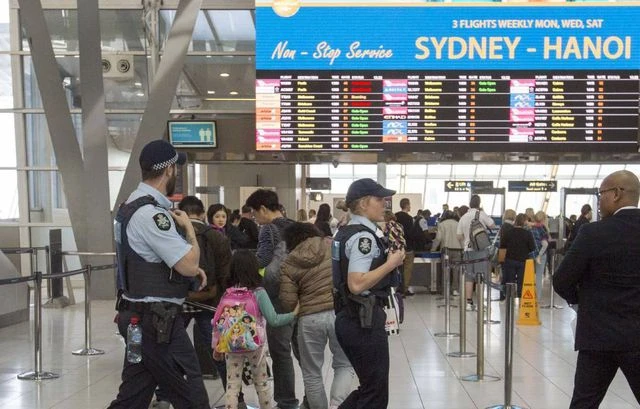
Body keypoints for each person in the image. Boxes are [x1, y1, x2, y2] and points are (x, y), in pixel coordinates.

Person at [109, 140, 209, 409]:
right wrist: (189, 229)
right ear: (169, 171)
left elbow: (145, 258)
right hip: (158, 324)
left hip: (136, 319)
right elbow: (188, 264)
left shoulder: (128, 206)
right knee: (191, 390)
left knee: (133, 394)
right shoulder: (151, 215)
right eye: (176, 168)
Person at [554, 170, 640, 409]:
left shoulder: (593, 233)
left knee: (585, 403)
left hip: (597, 336)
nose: (598, 201)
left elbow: (562, 280)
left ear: (616, 194)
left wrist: (583, 302)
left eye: (600, 194)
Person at [154, 196, 233, 409]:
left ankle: (164, 396)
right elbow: (226, 272)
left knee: (171, 347)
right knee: (218, 349)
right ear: (202, 212)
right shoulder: (217, 238)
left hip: (180, 300)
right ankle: (235, 398)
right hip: (210, 300)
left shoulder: (173, 234)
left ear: (181, 212)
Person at [332, 178, 405, 409]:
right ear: (363, 203)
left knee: (370, 387)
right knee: (375, 392)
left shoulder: (345, 231)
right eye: (379, 199)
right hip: (362, 319)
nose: (385, 203)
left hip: (351, 316)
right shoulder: (363, 237)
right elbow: (356, 283)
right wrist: (391, 263)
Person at [280, 222, 355, 409]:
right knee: (344, 364)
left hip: (309, 318)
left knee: (311, 372)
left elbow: (288, 301)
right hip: (339, 313)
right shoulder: (332, 245)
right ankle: (337, 405)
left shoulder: (289, 261)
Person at [214, 250, 299, 409]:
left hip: (232, 345)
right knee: (261, 383)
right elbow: (274, 319)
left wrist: (217, 346)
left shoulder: (227, 294)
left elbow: (218, 322)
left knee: (232, 385)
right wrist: (292, 315)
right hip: (255, 346)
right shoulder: (259, 293)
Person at [245, 189, 298, 409]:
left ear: (264, 209)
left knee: (280, 350)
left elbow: (263, 259)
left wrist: (245, 265)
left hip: (277, 295)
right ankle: (312, 398)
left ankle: (286, 401)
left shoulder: (269, 229)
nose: (255, 219)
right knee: (302, 350)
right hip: (301, 293)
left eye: (255, 213)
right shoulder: (296, 226)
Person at [456, 195, 495, 311]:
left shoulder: (464, 217)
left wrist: (465, 243)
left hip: (467, 250)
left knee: (469, 277)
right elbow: (492, 225)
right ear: (479, 203)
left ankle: (469, 303)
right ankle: (479, 303)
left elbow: (458, 235)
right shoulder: (481, 214)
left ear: (469, 204)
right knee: (480, 277)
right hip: (481, 251)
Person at [499, 213, 536, 298]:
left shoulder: (509, 233)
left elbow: (502, 246)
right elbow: (532, 248)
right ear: (524, 222)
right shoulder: (527, 234)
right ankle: (520, 297)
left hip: (510, 259)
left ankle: (508, 298)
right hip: (523, 261)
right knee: (521, 281)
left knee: (510, 281)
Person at [431, 210, 463, 296]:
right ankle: (455, 290)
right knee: (456, 271)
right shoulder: (458, 223)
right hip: (457, 250)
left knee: (445, 270)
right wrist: (463, 248)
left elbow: (438, 238)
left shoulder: (442, 224)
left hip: (446, 250)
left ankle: (445, 290)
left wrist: (433, 249)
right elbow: (461, 238)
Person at [394, 198, 417, 296]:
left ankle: (398, 288)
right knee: (407, 269)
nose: (410, 206)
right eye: (409, 204)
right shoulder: (409, 218)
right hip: (408, 247)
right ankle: (404, 289)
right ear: (406, 205)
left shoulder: (395, 216)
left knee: (398, 268)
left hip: (397, 247)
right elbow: (411, 233)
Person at [531, 211, 550, 301]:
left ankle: (529, 296)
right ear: (543, 219)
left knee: (529, 276)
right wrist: (539, 255)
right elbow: (545, 244)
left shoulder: (530, 228)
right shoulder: (542, 229)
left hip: (530, 254)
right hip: (541, 255)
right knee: (539, 277)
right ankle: (537, 298)